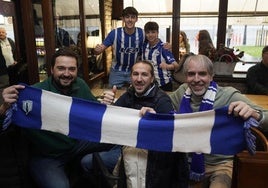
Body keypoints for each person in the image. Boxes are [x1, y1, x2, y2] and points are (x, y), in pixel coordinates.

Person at [140, 54, 268, 188]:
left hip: (220, 165)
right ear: (185, 77)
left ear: (211, 76)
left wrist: (255, 114)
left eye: (202, 74)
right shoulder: (181, 93)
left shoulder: (228, 95)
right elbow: (165, 114)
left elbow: (265, 116)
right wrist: (154, 114)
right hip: (185, 163)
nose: (196, 79)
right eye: (191, 74)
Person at [0, 47, 114, 188]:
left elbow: (92, 112)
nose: (67, 74)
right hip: (47, 156)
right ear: (51, 69)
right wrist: (4, 107)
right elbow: (5, 127)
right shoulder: (35, 93)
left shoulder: (80, 84)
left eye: (72, 69)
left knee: (116, 136)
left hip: (76, 144)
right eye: (61, 68)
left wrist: (104, 104)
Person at [82, 60, 189, 188]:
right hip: (122, 141)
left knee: (87, 162)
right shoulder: (130, 94)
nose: (139, 79)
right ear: (130, 77)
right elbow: (112, 118)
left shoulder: (162, 100)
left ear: (152, 79)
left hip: (142, 151)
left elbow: (170, 134)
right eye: (135, 74)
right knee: (81, 144)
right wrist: (108, 107)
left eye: (144, 74)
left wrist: (157, 120)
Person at [93, 6, 144, 88]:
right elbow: (100, 49)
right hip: (116, 71)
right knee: (112, 95)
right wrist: (97, 50)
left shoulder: (142, 33)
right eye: (127, 17)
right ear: (123, 19)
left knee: (137, 95)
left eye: (133, 17)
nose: (130, 20)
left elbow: (153, 43)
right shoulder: (115, 33)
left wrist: (166, 46)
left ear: (136, 19)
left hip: (135, 71)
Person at [142, 21, 178, 91]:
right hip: (148, 84)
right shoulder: (144, 47)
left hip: (164, 84)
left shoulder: (164, 48)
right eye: (148, 32)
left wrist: (167, 66)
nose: (150, 35)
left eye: (153, 32)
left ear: (157, 33)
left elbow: (176, 66)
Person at [0, 27, 17, 104]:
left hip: (12, 67)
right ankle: (6, 103)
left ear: (6, 33)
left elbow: (15, 51)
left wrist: (15, 60)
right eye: (0, 32)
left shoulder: (10, 41)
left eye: (3, 32)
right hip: (3, 69)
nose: (1, 34)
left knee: (13, 83)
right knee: (5, 85)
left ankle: (14, 99)